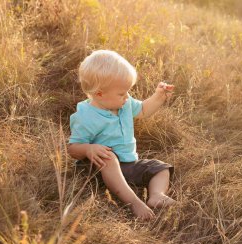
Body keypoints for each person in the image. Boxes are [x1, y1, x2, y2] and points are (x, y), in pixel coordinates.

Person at [68, 50, 176, 220]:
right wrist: (89, 149)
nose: (127, 96)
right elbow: (73, 148)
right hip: (97, 170)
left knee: (160, 167)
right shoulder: (86, 116)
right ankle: (134, 201)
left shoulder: (124, 104)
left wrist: (158, 96)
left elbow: (143, 110)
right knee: (108, 157)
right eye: (121, 93)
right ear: (99, 93)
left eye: (127, 91)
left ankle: (156, 195)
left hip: (128, 164)